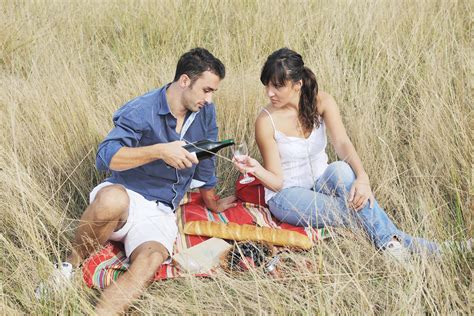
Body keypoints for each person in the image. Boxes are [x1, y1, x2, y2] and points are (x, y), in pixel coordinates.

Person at [37, 48, 237, 314]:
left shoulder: (204, 112)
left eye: (213, 92)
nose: (209, 99)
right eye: (206, 90)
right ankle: (67, 268)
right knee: (111, 199)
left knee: (150, 260)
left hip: (161, 210)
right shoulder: (142, 109)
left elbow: (207, 154)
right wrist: (160, 150)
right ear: (185, 81)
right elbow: (105, 157)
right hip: (126, 197)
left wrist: (211, 201)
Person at [233, 48, 449, 260]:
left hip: (321, 180)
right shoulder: (265, 121)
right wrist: (257, 170)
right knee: (357, 209)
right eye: (267, 85)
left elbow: (342, 143)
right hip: (287, 195)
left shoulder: (322, 102)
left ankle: (393, 245)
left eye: (278, 86)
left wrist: (363, 178)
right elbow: (277, 183)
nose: (270, 92)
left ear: (298, 85)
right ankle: (428, 249)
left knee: (343, 170)